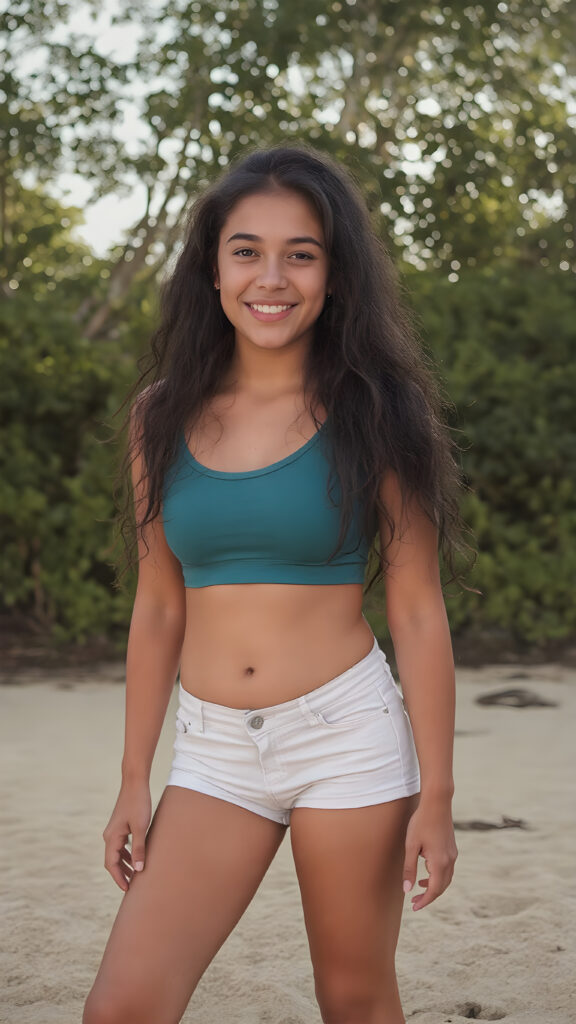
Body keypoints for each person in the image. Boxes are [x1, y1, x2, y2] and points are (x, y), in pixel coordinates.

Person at [83, 144, 463, 1024]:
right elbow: (159, 606)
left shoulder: (379, 411)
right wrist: (135, 779)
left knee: (354, 998)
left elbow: (416, 610)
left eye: (302, 254)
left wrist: (438, 799)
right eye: (247, 251)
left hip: (346, 740)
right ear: (212, 269)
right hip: (214, 751)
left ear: (335, 275)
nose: (273, 277)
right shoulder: (159, 415)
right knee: (122, 1007)